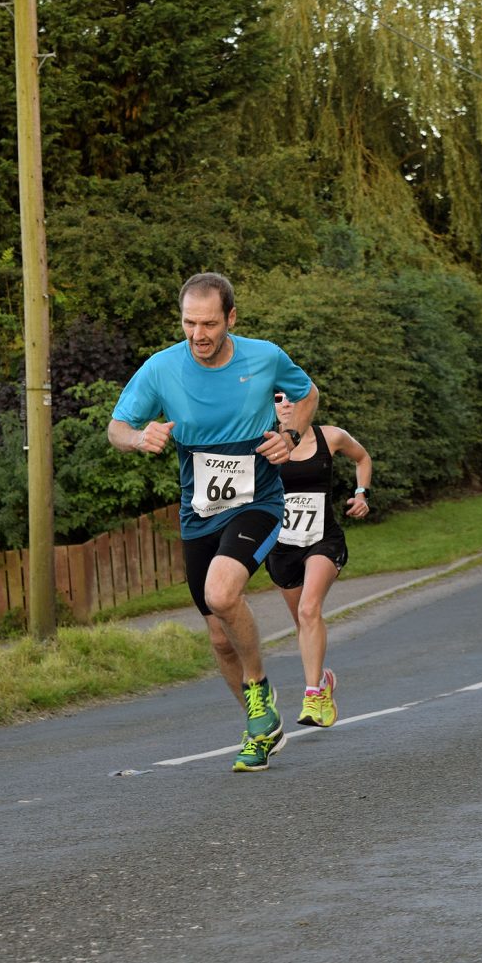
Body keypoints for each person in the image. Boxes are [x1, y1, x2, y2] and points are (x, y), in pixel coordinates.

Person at [107, 272, 319, 772]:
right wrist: (141, 439)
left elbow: (307, 394)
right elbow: (117, 427)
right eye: (188, 323)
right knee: (219, 637)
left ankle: (260, 690)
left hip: (258, 500)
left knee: (224, 594)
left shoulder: (263, 356)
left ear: (231, 319)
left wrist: (290, 434)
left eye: (208, 323)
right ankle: (259, 725)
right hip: (198, 511)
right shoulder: (161, 369)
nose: (198, 335)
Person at [265, 392, 372, 729]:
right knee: (303, 623)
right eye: (277, 398)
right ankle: (323, 679)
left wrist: (361, 494)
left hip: (323, 540)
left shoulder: (331, 436)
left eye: (292, 397)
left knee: (310, 610)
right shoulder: (262, 444)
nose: (285, 404)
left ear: (306, 401)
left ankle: (313, 695)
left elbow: (363, 458)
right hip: (282, 549)